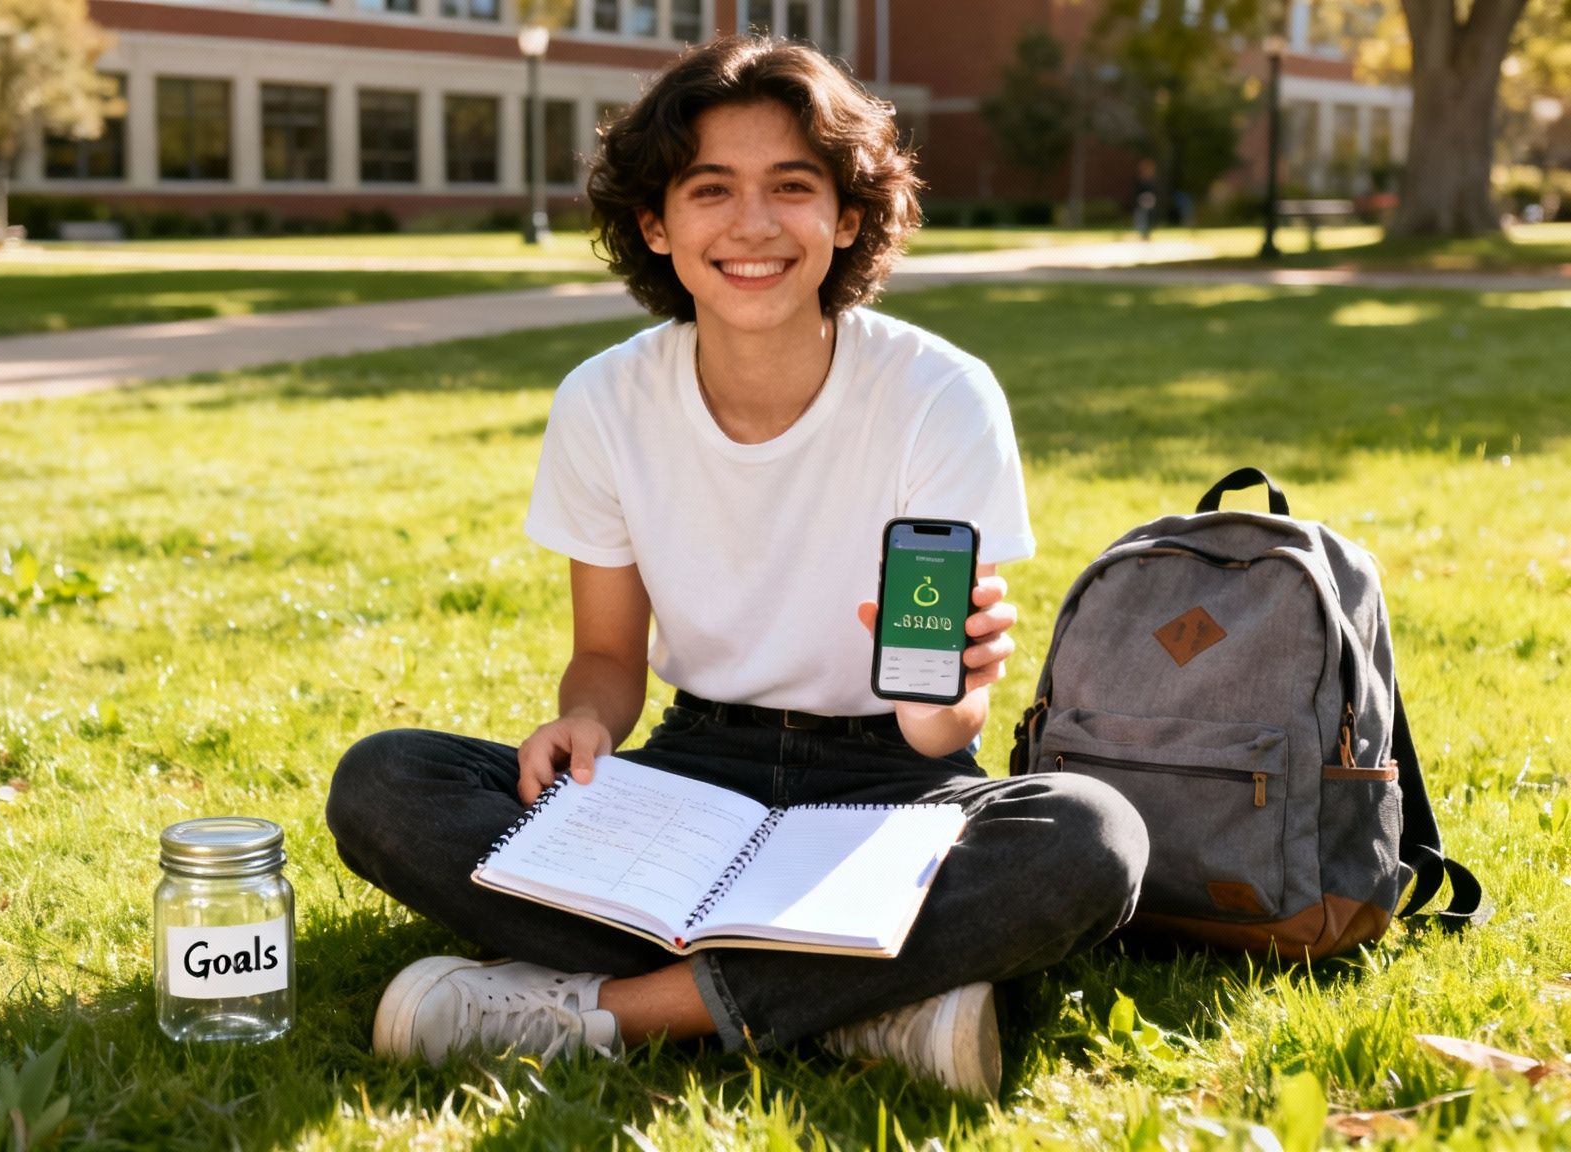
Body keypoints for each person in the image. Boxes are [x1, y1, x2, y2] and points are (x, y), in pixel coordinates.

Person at [326, 36, 1148, 1101]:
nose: (751, 225)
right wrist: (584, 725)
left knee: (1088, 838)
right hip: (690, 772)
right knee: (388, 782)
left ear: (846, 217)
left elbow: (936, 731)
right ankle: (868, 1000)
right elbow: (608, 656)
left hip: (890, 788)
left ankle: (611, 1010)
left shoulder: (938, 395)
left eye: (790, 188)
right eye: (709, 189)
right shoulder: (603, 401)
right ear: (654, 224)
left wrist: (954, 699)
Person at [1132, 158, 1158, 239]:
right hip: (1142, 202)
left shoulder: (1152, 181)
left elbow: (1155, 192)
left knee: (1150, 217)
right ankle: (1143, 233)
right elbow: (1136, 192)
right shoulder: (1140, 180)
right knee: (1142, 217)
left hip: (1150, 202)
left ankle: (1147, 233)